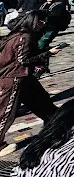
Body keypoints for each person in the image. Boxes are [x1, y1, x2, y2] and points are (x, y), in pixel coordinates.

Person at [0, 12, 60, 157]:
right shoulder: (24, 37)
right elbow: (23, 60)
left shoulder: (19, 34)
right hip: (14, 77)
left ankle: (58, 125)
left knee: (42, 101)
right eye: (42, 22)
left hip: (24, 77)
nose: (43, 25)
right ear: (34, 21)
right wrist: (48, 53)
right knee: (6, 112)